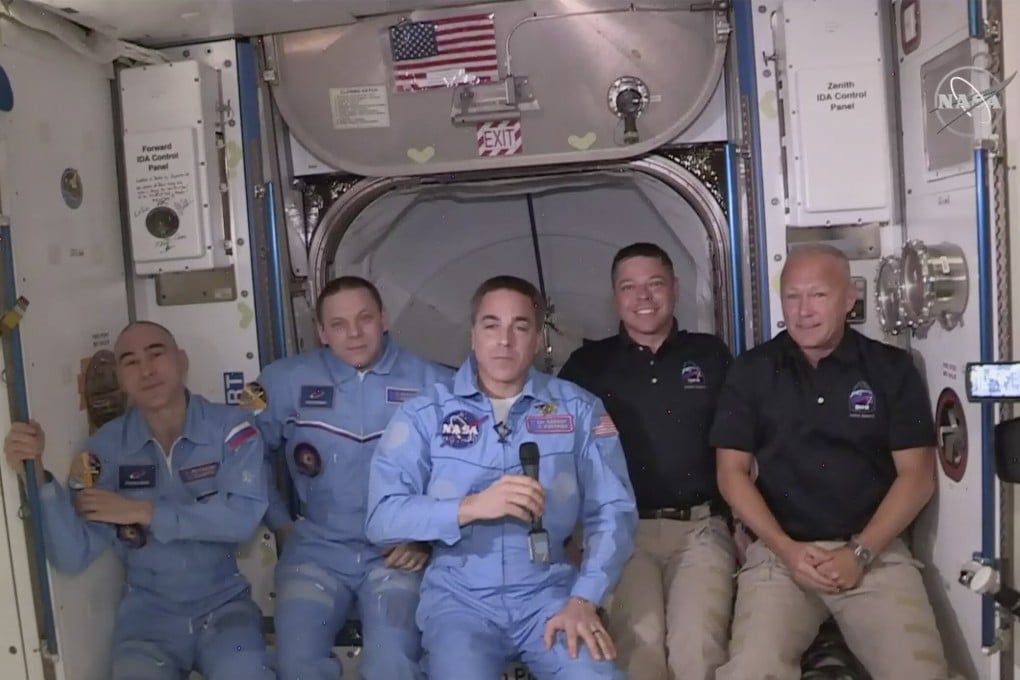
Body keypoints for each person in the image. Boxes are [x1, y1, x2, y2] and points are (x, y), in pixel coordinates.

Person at [364, 275, 638, 680]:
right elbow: (382, 518)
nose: (504, 340)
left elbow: (613, 510)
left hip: (550, 597)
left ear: (537, 339)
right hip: (460, 603)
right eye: (491, 325)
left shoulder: (578, 410)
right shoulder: (425, 414)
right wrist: (470, 507)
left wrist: (585, 598)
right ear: (473, 335)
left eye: (520, 327)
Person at [710, 243, 956, 679]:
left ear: (849, 299)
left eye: (818, 295)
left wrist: (859, 553)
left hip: (873, 551)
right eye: (792, 296)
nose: (803, 311)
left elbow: (917, 477)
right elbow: (731, 474)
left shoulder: (891, 369)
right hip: (782, 554)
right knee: (750, 670)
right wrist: (785, 548)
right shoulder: (752, 371)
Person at [3, 321, 273, 680]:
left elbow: (240, 519)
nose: (146, 371)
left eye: (156, 354)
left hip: (225, 610)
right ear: (120, 378)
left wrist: (141, 511)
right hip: (147, 623)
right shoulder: (102, 451)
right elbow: (72, 554)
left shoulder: (232, 429)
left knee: (246, 672)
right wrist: (37, 478)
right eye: (130, 362)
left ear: (182, 361)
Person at [253, 276, 454, 680]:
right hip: (316, 550)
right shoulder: (281, 381)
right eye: (339, 324)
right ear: (321, 332)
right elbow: (241, 456)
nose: (354, 333)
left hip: (397, 553)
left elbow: (463, 471)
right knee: (296, 662)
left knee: (392, 664)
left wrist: (426, 537)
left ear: (384, 319)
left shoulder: (434, 383)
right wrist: (280, 523)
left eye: (365, 318)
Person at [557, 242, 736, 680]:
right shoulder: (587, 366)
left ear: (674, 288)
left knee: (698, 648)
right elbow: (559, 456)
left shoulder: (711, 355)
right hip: (621, 534)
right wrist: (566, 537)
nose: (643, 297)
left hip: (700, 528)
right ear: (615, 296)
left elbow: (743, 445)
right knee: (639, 649)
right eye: (629, 287)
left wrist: (744, 526)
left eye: (655, 284)